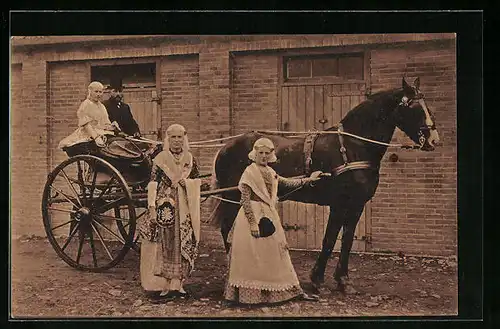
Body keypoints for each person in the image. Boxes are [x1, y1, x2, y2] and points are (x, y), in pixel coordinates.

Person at [224, 137, 323, 305]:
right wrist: (253, 223)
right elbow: (245, 200)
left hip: (269, 215)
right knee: (252, 255)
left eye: (266, 153)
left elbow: (286, 183)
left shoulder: (270, 172)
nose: (263, 156)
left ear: (270, 155)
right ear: (254, 154)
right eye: (260, 153)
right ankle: (249, 295)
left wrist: (309, 180)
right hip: (252, 216)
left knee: (273, 254)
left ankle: (274, 291)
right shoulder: (250, 172)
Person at [139, 123, 201, 303]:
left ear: (184, 138)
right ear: (168, 139)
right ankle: (163, 285)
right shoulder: (160, 158)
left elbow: (196, 180)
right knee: (165, 242)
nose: (176, 141)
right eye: (173, 137)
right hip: (165, 205)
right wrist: (152, 208)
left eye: (179, 137)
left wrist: (187, 184)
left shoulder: (190, 159)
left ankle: (178, 284)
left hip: (185, 206)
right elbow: (152, 185)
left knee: (183, 241)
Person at [58, 81, 119, 150]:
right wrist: (96, 137)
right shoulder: (86, 105)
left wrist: (112, 126)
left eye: (100, 92)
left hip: (101, 132)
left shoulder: (102, 106)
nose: (98, 94)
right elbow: (86, 125)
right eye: (96, 92)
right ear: (90, 92)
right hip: (88, 133)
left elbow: (105, 123)